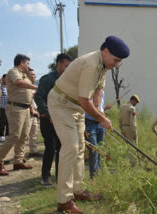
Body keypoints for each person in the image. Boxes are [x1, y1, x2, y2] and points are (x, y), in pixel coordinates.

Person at [48, 35, 129, 213]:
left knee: (79, 150)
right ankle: (64, 201)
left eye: (119, 62)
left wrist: (100, 113)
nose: (116, 65)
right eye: (115, 60)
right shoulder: (92, 64)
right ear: (105, 51)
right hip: (61, 103)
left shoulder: (103, 66)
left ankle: (77, 190)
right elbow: (85, 100)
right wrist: (101, 119)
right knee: (70, 148)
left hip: (75, 108)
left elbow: (98, 92)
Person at [0, 54, 38, 176]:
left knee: (24, 136)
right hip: (15, 108)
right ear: (21, 63)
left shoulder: (24, 75)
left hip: (25, 109)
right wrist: (36, 87)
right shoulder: (13, 72)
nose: (28, 66)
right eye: (27, 63)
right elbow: (18, 83)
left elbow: (26, 91)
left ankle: (18, 160)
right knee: (14, 135)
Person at [34, 53, 71, 187]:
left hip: (62, 121)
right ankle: (45, 177)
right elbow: (38, 97)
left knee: (62, 148)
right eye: (67, 66)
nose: (68, 68)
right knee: (51, 148)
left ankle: (60, 175)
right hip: (48, 120)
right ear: (59, 64)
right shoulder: (48, 79)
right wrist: (49, 114)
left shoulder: (67, 81)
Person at [85, 90, 106, 179]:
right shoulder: (87, 91)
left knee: (100, 149)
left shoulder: (102, 92)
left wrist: (104, 122)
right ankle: (93, 175)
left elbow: (101, 108)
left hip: (100, 124)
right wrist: (83, 127)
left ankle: (97, 173)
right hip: (89, 123)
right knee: (93, 150)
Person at [119, 94, 140, 165]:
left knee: (126, 146)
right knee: (133, 146)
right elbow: (133, 122)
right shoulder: (132, 108)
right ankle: (133, 163)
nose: (136, 104)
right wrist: (134, 133)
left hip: (123, 127)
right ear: (133, 100)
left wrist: (121, 129)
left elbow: (120, 119)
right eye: (136, 102)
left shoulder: (122, 106)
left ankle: (125, 162)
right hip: (130, 128)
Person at [26, 68, 43, 157]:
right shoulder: (26, 86)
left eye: (34, 74)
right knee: (25, 134)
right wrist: (32, 110)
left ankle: (33, 151)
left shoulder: (32, 86)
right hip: (28, 112)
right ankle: (19, 155)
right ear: (27, 75)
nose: (34, 76)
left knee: (34, 133)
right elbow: (26, 99)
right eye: (32, 74)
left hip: (34, 112)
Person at [0, 74, 9, 142]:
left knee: (8, 122)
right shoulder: (0, 86)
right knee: (2, 121)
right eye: (6, 78)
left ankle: (7, 134)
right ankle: (1, 135)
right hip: (2, 107)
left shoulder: (9, 87)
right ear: (3, 79)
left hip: (9, 107)